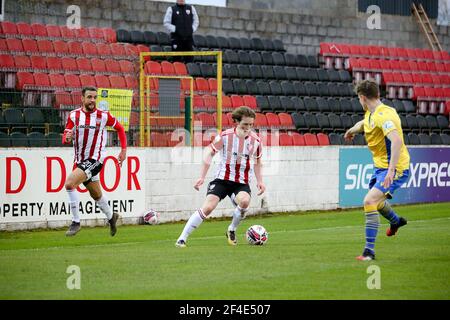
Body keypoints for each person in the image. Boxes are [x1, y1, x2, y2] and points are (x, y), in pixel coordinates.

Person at [175, 106, 266, 247]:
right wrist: (202, 177)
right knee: (208, 208)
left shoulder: (256, 141)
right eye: (245, 124)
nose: (248, 127)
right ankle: (182, 238)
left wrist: (260, 181)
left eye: (251, 124)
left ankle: (232, 229)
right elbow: (209, 153)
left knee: (245, 202)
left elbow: (258, 161)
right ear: (236, 122)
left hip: (240, 182)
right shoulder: (224, 136)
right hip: (222, 179)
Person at [344, 80, 410, 261]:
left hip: (395, 169)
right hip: (381, 168)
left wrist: (391, 171)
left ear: (362, 97)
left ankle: (369, 252)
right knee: (378, 203)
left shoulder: (384, 116)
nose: (360, 101)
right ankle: (396, 221)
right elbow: (364, 124)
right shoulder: (372, 113)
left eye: (359, 98)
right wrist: (351, 131)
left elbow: (396, 141)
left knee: (369, 200)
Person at [63, 86, 127, 237]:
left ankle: (76, 222)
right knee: (96, 194)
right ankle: (112, 217)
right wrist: (68, 137)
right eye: (89, 97)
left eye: (94, 97)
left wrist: (123, 151)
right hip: (80, 161)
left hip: (95, 160)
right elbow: (65, 136)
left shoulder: (103, 116)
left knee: (69, 183)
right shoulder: (73, 116)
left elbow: (120, 129)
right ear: (82, 98)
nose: (92, 100)